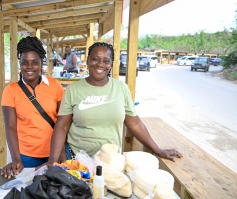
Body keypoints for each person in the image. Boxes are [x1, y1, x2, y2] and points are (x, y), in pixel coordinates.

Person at [46, 42, 182, 164]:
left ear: (111, 64)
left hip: (111, 162)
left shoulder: (121, 88)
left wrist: (157, 150)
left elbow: (135, 124)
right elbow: (62, 126)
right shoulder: (73, 89)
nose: (100, 64)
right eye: (95, 59)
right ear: (87, 60)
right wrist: (52, 161)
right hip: (78, 159)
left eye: (106, 60)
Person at [1, 36, 65, 179]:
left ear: (41, 63)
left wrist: (61, 150)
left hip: (54, 151)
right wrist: (16, 159)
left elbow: (63, 122)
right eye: (25, 63)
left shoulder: (55, 86)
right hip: (26, 155)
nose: (29, 67)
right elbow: (10, 126)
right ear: (20, 64)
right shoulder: (10, 90)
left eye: (34, 63)